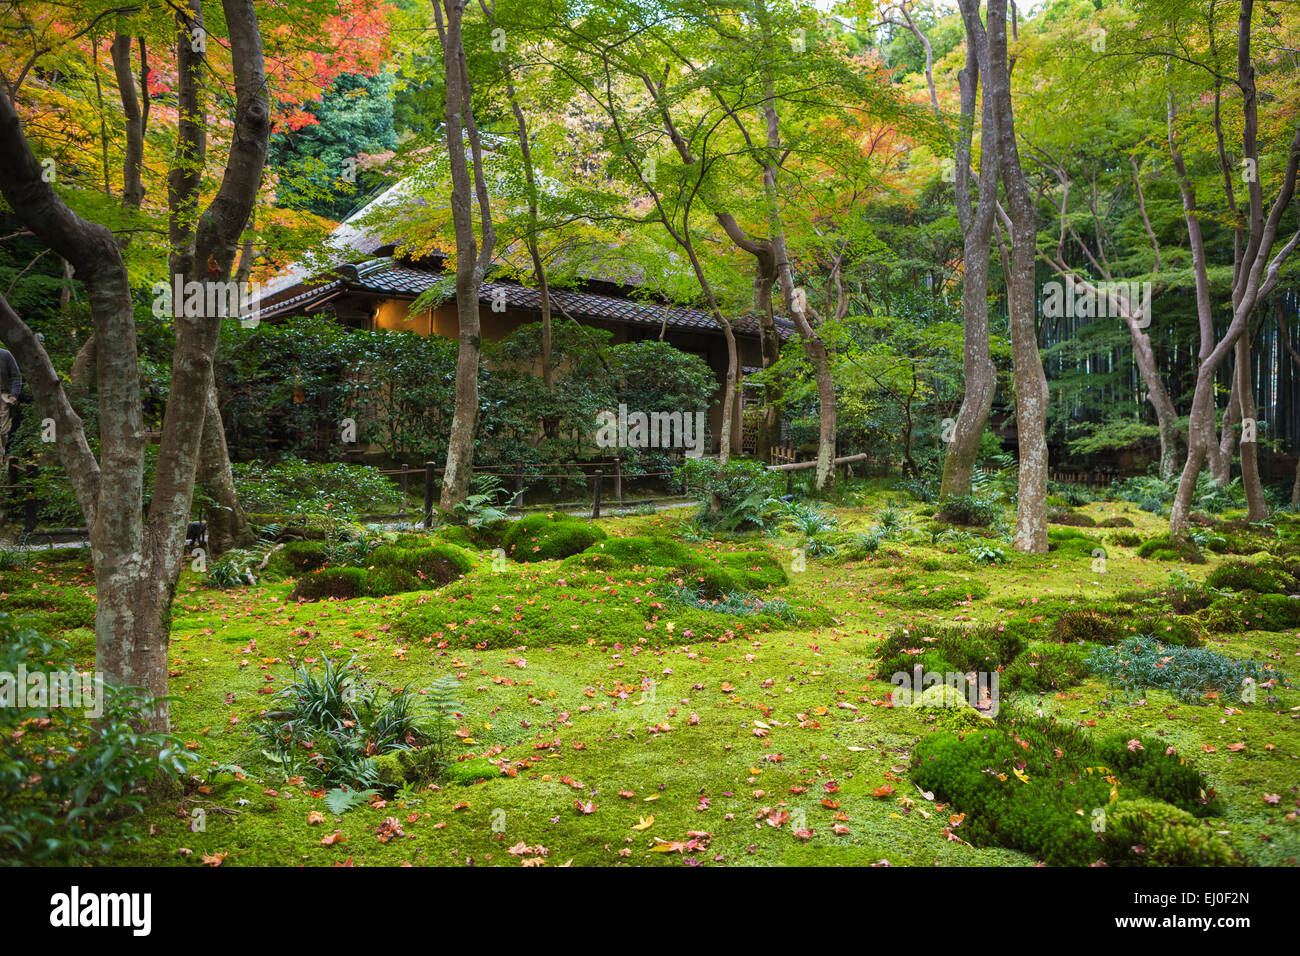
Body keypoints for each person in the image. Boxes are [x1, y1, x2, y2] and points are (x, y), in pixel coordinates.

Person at [0, 346, 21, 459]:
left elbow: (16, 376)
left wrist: (14, 395)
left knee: (3, 431)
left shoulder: (5, 355)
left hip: (4, 396)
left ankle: (3, 453)